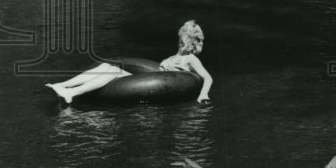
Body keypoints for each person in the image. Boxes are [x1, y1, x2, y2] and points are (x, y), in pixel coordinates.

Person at [45, 21, 213, 104]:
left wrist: (203, 94)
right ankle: (64, 85)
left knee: (112, 72)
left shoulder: (191, 59)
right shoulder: (172, 57)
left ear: (187, 41)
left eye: (182, 38)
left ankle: (72, 93)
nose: (180, 41)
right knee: (106, 67)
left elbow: (207, 77)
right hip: (151, 77)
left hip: (156, 84)